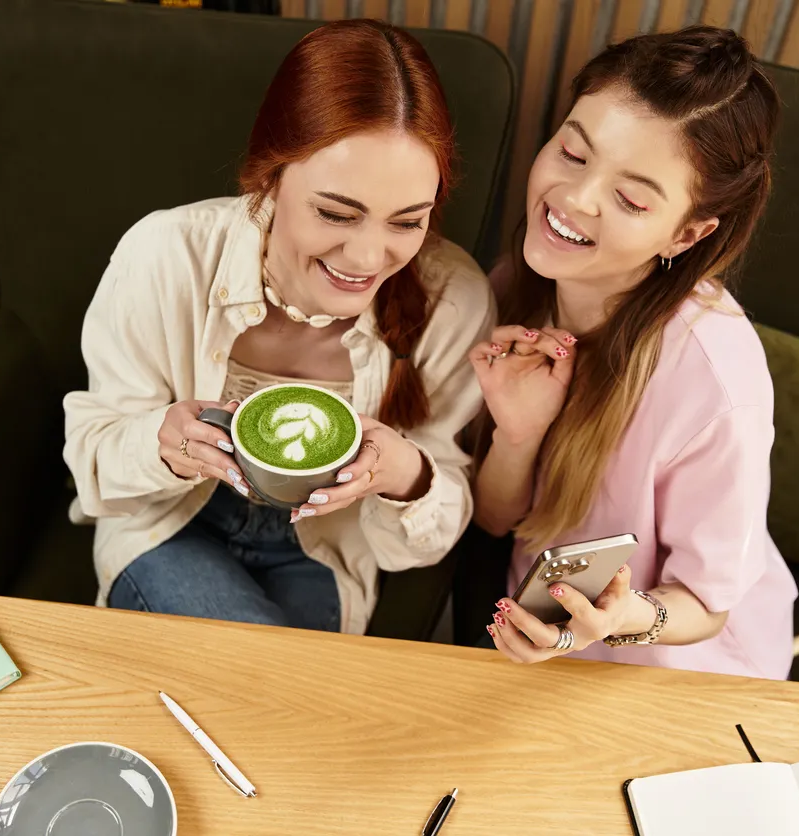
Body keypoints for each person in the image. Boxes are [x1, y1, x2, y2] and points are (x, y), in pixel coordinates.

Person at [63, 19, 495, 635]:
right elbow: (92, 463)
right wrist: (163, 446)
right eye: (335, 213)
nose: (367, 259)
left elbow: (420, 548)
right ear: (269, 176)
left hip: (322, 548)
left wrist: (406, 473)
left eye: (406, 222)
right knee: (270, 677)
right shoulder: (164, 255)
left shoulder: (453, 300)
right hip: (172, 525)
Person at [466, 26, 796, 678]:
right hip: (542, 632)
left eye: (630, 199)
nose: (575, 199)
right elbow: (497, 520)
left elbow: (708, 605)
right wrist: (517, 434)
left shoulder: (716, 385)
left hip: (682, 670)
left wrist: (621, 618)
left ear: (687, 234)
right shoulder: (514, 286)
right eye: (572, 152)